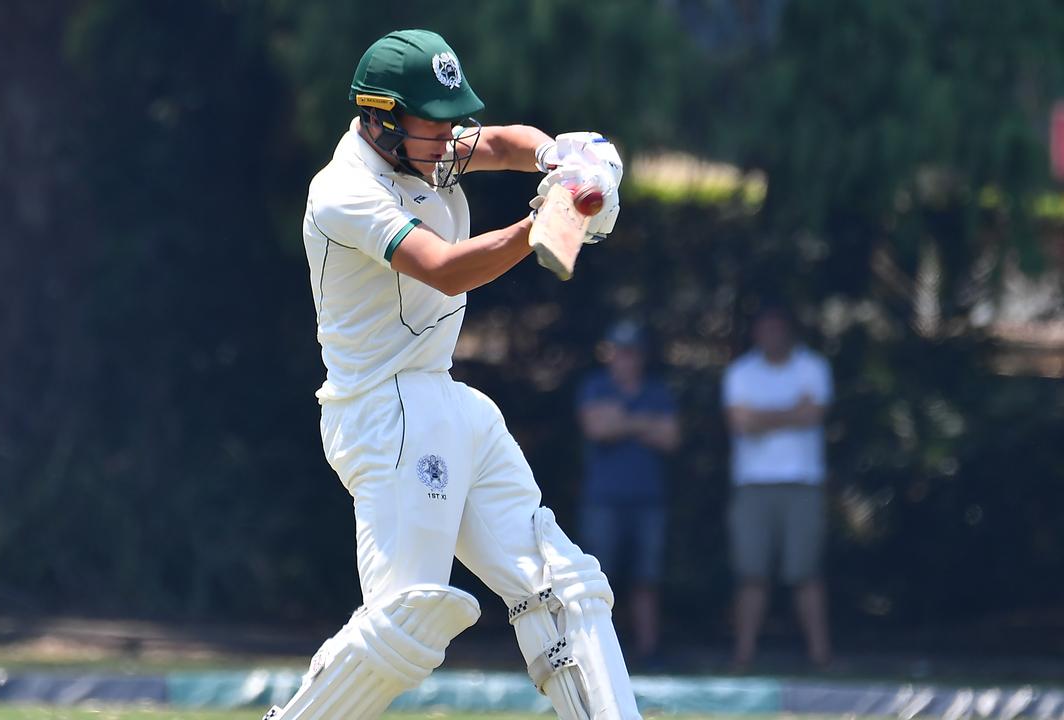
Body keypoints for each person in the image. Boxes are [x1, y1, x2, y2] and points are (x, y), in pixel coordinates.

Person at [266, 29, 640, 720]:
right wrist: (539, 225)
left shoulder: (423, 150)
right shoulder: (344, 192)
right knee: (406, 624)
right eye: (432, 123)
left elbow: (502, 144)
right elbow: (443, 265)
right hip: (384, 413)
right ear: (380, 118)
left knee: (565, 589)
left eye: (450, 119)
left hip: (443, 400)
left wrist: (562, 159)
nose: (448, 137)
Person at [721, 304, 833, 671]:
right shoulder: (740, 372)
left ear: (788, 331)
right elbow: (740, 424)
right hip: (753, 485)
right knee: (751, 573)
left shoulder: (813, 367)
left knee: (806, 572)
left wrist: (761, 416)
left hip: (803, 483)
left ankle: (820, 656)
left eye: (777, 328)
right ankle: (743, 655)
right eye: (764, 328)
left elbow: (813, 415)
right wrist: (791, 413)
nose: (771, 335)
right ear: (756, 333)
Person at [577, 320, 681, 667]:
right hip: (603, 500)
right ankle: (596, 652)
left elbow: (670, 438)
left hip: (648, 499)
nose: (626, 359)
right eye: (620, 352)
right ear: (610, 355)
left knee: (646, 578)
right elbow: (597, 428)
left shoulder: (657, 391)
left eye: (632, 353)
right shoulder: (595, 387)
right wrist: (645, 423)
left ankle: (648, 651)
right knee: (598, 579)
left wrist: (623, 421)